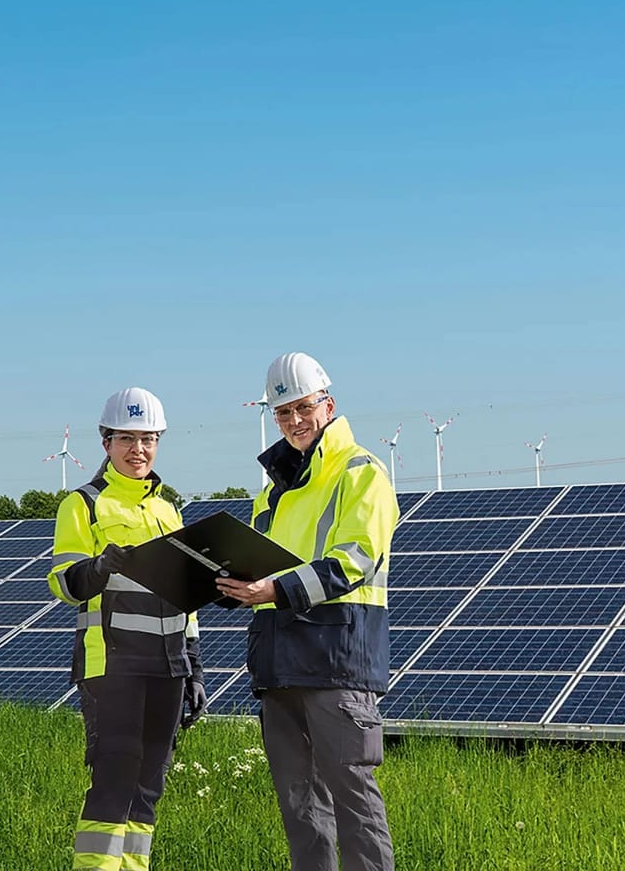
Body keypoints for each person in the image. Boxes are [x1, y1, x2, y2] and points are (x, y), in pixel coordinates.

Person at [217, 353, 397, 871]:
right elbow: (259, 567)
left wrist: (275, 590)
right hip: (278, 662)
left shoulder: (360, 471)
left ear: (328, 404)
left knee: (354, 801)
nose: (295, 421)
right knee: (300, 807)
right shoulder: (272, 490)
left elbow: (357, 559)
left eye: (303, 407)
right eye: (283, 413)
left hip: (337, 658)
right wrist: (229, 585)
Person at [47, 387, 206, 871]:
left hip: (168, 666)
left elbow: (186, 599)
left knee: (149, 783)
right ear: (106, 442)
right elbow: (64, 582)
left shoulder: (168, 509)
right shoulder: (84, 504)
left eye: (148, 439)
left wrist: (195, 669)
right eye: (127, 439)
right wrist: (96, 568)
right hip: (112, 663)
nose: (139, 450)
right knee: (114, 780)